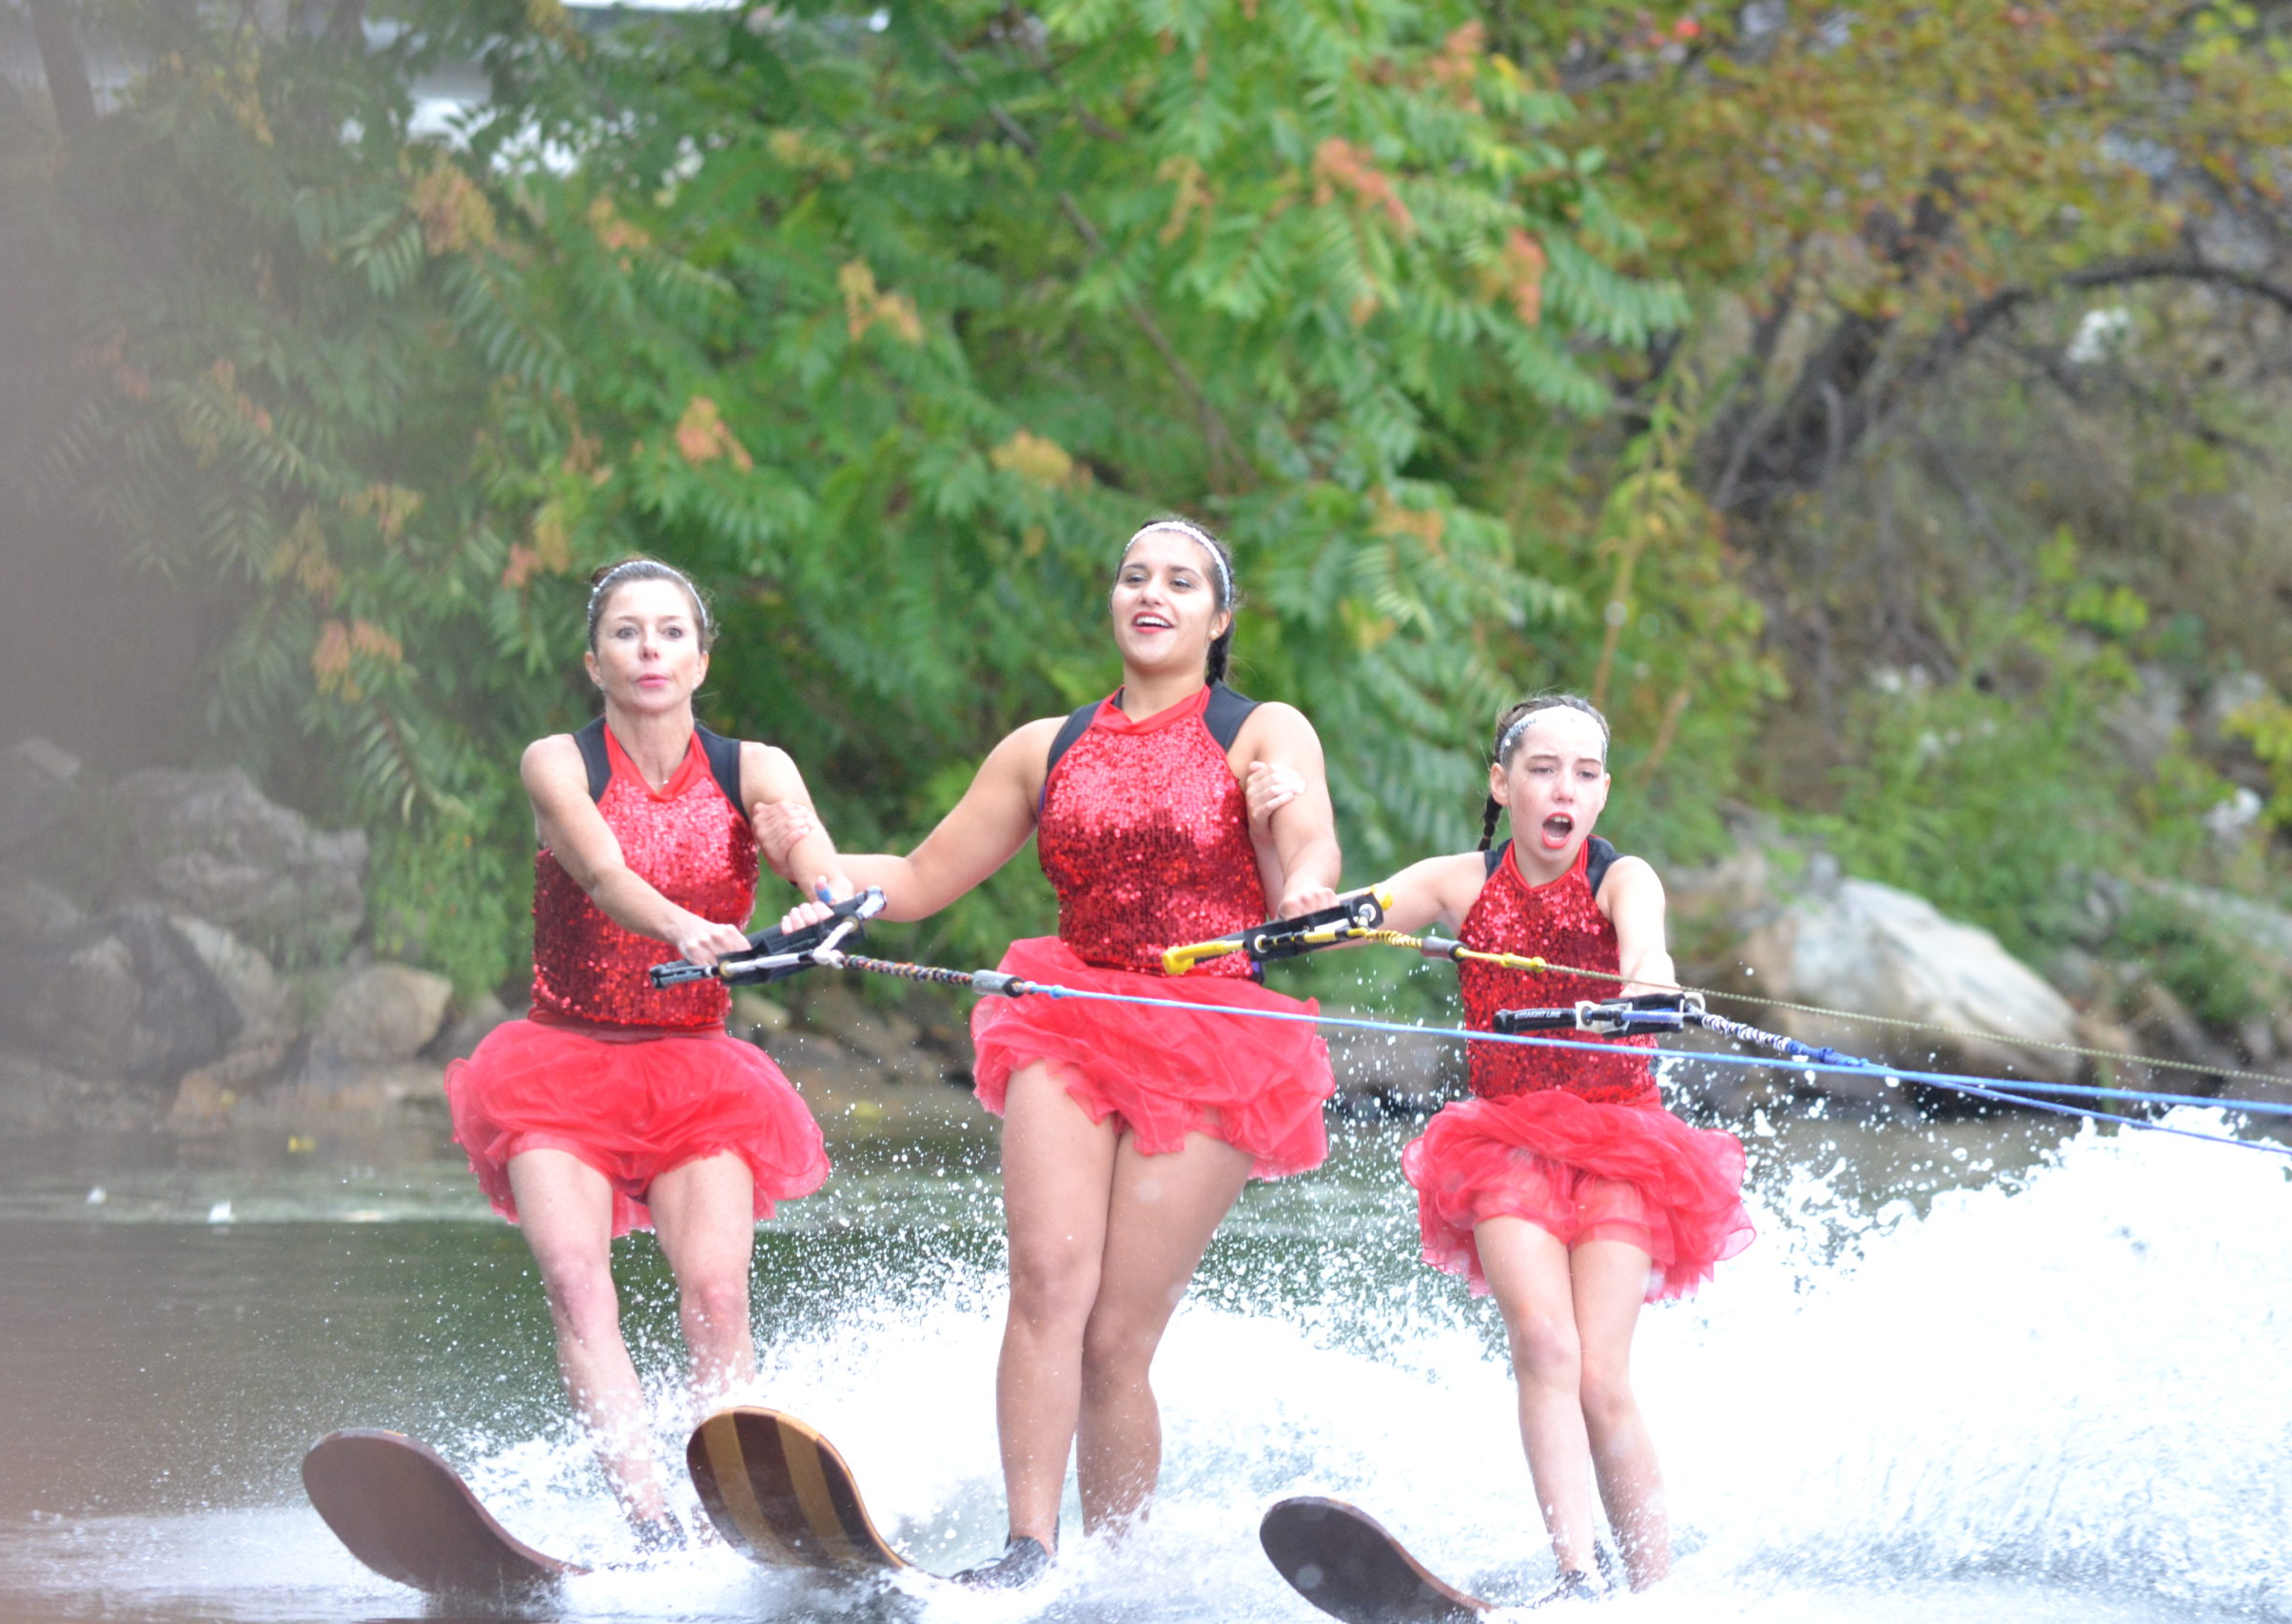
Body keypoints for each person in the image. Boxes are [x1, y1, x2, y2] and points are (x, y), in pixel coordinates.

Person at [756, 519, 1340, 1584]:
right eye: (1132, 576)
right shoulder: (1045, 745)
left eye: (1179, 581)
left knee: (1117, 1338)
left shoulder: (1262, 732)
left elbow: (1306, 839)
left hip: (1210, 1034)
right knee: (1045, 1281)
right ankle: (1026, 1549)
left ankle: (1115, 1571)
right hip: (1064, 1014)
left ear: (1219, 619)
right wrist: (819, 876)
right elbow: (925, 875)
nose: (1150, 593)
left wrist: (1299, 874)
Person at [1254, 694, 1753, 1597]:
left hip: (1622, 1145)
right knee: (1546, 1346)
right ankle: (1574, 1572)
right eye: (1543, 769)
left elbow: (1650, 956)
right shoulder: (1459, 882)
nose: (1565, 788)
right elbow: (1365, 913)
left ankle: (1656, 1593)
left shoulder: (1622, 876)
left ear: (1601, 796)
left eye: (1586, 774)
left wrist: (1646, 987)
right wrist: (1305, 905)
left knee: (1601, 1374)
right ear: (1503, 782)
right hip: (1506, 1145)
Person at [444, 558, 853, 1544]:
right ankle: (649, 1522)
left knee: (715, 1293)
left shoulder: (755, 767)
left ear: (701, 657)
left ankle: (741, 1510)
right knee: (578, 1280)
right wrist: (684, 926)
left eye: (670, 632)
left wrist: (823, 894)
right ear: (595, 661)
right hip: (558, 1070)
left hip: (695, 1075)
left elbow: (803, 841)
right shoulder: (559, 761)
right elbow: (599, 867)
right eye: (627, 633)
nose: (649, 651)